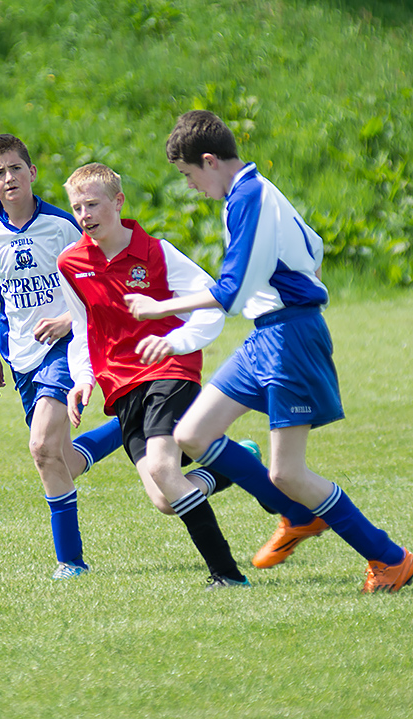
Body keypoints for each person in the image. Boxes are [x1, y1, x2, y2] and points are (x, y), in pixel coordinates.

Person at [125, 110, 413, 593]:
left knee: (287, 472)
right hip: (266, 334)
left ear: (210, 161)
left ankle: (391, 558)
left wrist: (162, 309)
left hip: (289, 339)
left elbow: (234, 290)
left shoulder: (250, 198)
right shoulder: (251, 191)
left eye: (189, 174)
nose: (190, 185)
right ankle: (298, 516)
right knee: (192, 433)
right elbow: (313, 249)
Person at [59, 162, 250, 589]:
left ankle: (227, 575)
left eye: (93, 204)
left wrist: (177, 343)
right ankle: (235, 463)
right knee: (165, 497)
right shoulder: (71, 263)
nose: (85, 215)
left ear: (118, 202)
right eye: (77, 207)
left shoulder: (157, 253)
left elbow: (213, 302)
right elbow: (82, 327)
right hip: (120, 386)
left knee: (165, 469)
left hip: (169, 371)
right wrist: (83, 377)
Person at [0, 134, 123, 580]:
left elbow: (103, 277)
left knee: (40, 448)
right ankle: (131, 427)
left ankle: (70, 562)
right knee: (61, 459)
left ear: (32, 172)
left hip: (68, 348)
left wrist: (71, 321)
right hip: (21, 354)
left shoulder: (64, 224)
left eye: (16, 168)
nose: (9, 177)